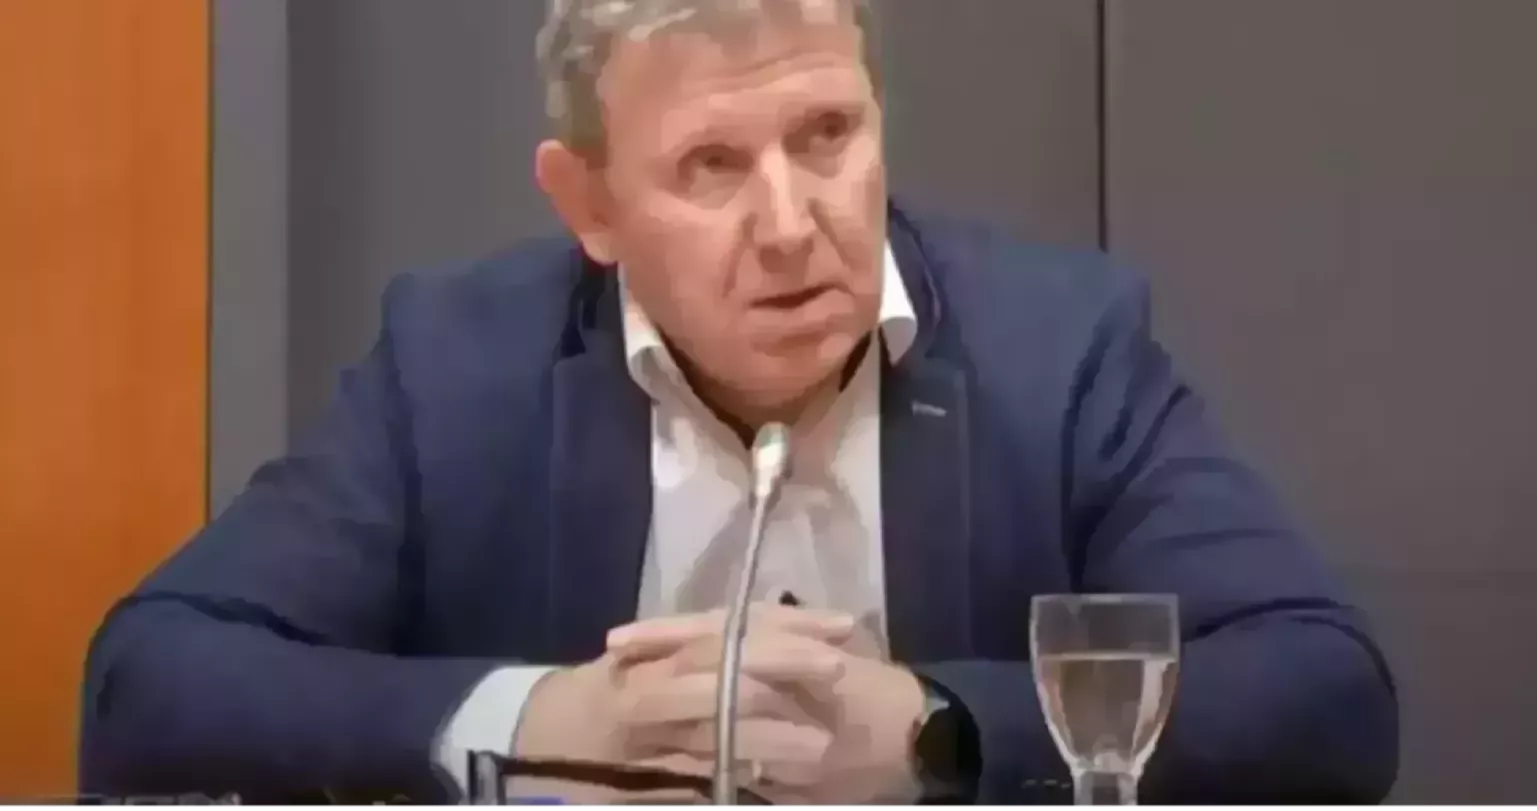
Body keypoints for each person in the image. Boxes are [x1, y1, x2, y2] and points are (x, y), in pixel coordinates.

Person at [78, 0, 1399, 806]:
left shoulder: (1058, 352)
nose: (790, 225)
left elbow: (1326, 692)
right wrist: (541, 727)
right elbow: (150, 685)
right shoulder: (456, 370)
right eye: (711, 164)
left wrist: (936, 733)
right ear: (591, 205)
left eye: (828, 136)